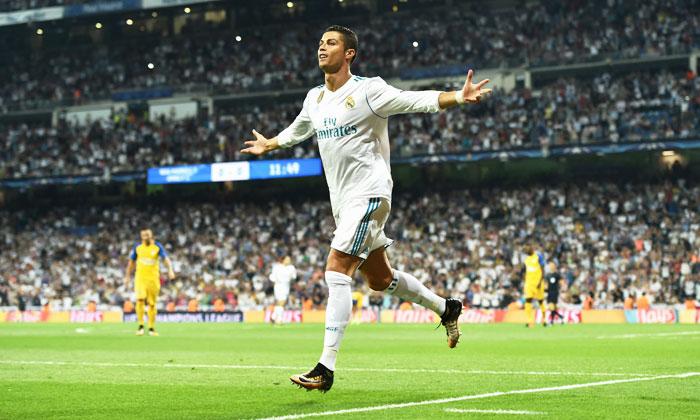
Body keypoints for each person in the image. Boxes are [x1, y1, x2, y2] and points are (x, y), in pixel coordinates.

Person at [241, 25, 491, 392]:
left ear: (349, 54)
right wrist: (272, 144)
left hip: (370, 194)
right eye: (320, 42)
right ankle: (446, 307)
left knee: (337, 269)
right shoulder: (315, 98)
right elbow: (300, 129)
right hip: (344, 204)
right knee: (379, 280)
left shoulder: (368, 90)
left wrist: (457, 95)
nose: (322, 48)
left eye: (331, 43)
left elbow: (413, 100)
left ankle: (325, 368)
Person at [124, 228, 175, 336]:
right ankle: (141, 325)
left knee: (152, 304)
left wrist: (170, 270)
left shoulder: (157, 247)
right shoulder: (138, 248)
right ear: (141, 237)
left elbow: (165, 259)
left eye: (147, 235)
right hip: (140, 278)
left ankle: (151, 327)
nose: (145, 237)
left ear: (151, 235)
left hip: (153, 279)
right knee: (140, 299)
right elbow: (131, 262)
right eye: (143, 236)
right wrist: (127, 277)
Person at [522, 244, 546, 328]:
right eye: (525, 252)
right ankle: (529, 321)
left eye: (527, 250)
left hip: (538, 283)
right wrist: (525, 282)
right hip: (529, 283)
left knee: (540, 301)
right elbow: (526, 271)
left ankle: (544, 319)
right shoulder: (526, 260)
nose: (526, 252)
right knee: (528, 300)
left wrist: (540, 281)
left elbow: (543, 269)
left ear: (532, 248)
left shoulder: (538, 256)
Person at [269, 256, 297, 324]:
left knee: (280, 302)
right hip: (278, 285)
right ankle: (279, 319)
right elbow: (272, 276)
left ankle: (273, 317)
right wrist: (275, 280)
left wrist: (291, 276)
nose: (289, 261)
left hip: (286, 286)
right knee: (282, 301)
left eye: (289, 259)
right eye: (287, 259)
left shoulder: (291, 267)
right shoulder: (277, 267)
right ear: (283, 260)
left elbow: (294, 276)